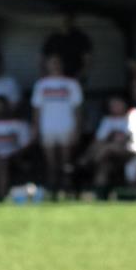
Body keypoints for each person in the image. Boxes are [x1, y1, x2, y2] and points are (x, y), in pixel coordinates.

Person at [31, 54, 83, 198]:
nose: (55, 65)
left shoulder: (72, 84)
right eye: (52, 62)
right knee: (51, 162)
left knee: (66, 161)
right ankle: (53, 190)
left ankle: (67, 188)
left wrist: (77, 129)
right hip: (47, 127)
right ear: (47, 65)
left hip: (67, 126)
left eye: (57, 62)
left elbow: (78, 109)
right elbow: (36, 109)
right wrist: (35, 128)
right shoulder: (41, 85)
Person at [79, 94, 136, 200]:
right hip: (112, 153)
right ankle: (99, 194)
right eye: (112, 105)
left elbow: (127, 138)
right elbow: (99, 140)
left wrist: (109, 144)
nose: (114, 107)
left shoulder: (134, 114)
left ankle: (86, 162)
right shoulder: (108, 120)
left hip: (134, 150)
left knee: (105, 150)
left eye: (117, 104)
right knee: (104, 165)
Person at [0, 95, 34, 201]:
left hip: (16, 156)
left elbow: (26, 145)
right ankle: (0, 195)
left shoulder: (19, 123)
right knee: (1, 163)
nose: (0, 110)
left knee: (4, 163)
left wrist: (14, 155)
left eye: (2, 106)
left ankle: (3, 196)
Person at [41, 12, 93, 83]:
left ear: (73, 20)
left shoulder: (81, 38)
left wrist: (83, 74)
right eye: (63, 19)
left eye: (68, 19)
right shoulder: (52, 38)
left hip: (75, 77)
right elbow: (44, 59)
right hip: (55, 78)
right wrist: (44, 76)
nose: (65, 22)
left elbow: (87, 59)